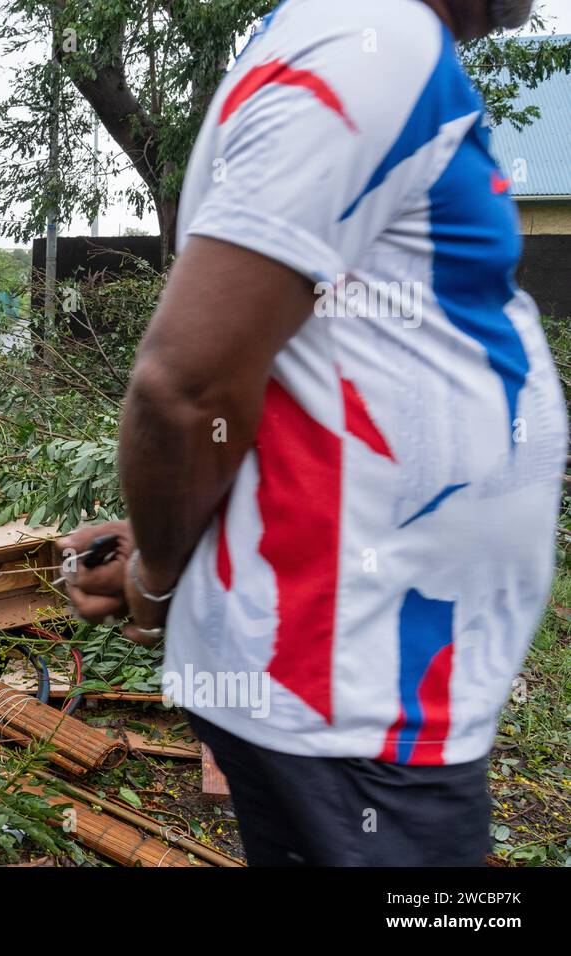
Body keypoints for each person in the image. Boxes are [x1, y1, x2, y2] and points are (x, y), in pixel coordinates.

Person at [58, 0, 566, 866]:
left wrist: (163, 544)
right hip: (355, 692)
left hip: (371, 689)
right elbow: (187, 388)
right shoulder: (371, 34)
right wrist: (161, 578)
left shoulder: (368, 43)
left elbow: (296, 375)